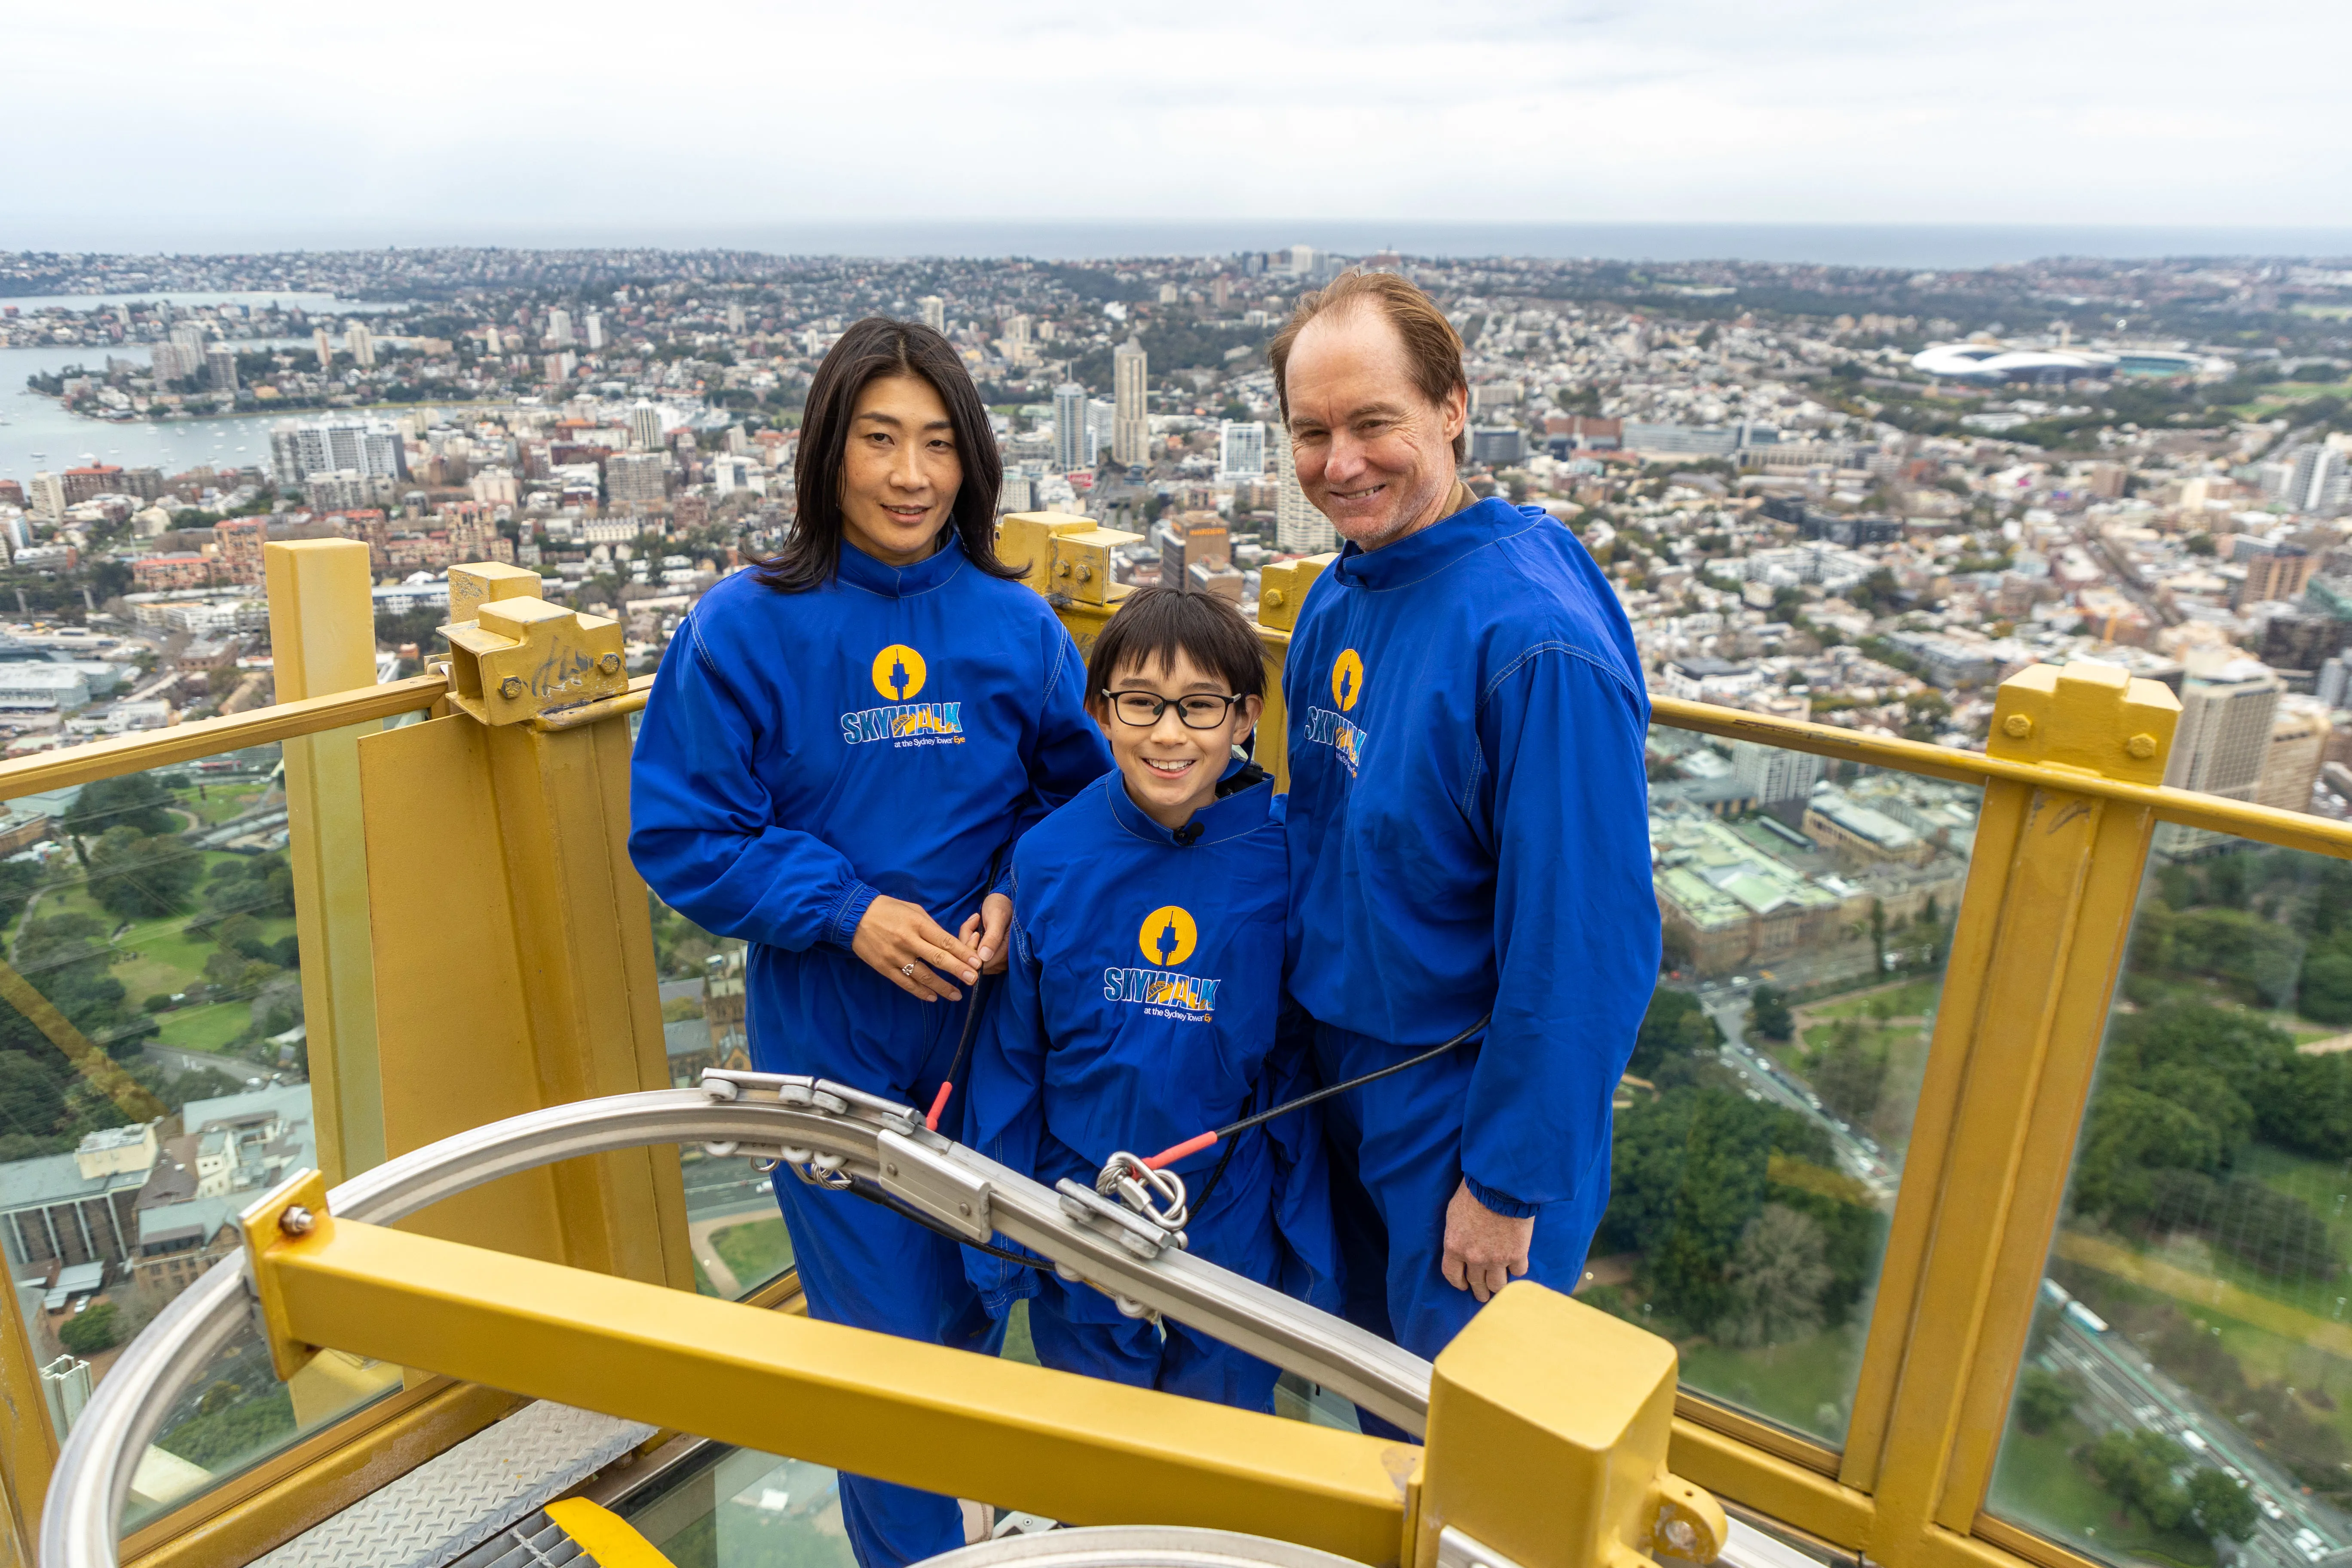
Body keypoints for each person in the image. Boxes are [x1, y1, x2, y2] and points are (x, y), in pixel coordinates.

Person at [628, 317, 1112, 1568]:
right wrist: (846, 911)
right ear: (827, 454)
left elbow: (1076, 801)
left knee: (982, 1309)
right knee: (882, 1359)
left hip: (993, 1039)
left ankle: (980, 1526)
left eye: (940, 445)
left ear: (974, 463)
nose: (912, 476)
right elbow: (682, 834)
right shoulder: (742, 627)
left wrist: (1014, 890)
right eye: (881, 439)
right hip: (832, 1049)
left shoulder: (1015, 626)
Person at [1270, 271, 1657, 1389]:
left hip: (1465, 1116)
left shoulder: (1532, 642)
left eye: (1372, 423)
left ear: (1453, 408)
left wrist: (1506, 1184)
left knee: (1462, 1444)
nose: (1340, 464)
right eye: (1312, 432)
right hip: (1345, 1081)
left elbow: (1586, 943)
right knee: (1374, 1410)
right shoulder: (1349, 592)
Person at [964, 586, 1337, 1410]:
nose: (1169, 734)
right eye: (1141, 704)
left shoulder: (1287, 856)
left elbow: (1299, 1056)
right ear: (1100, 711)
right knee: (1100, 1420)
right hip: (1079, 1195)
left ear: (1245, 718)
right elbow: (1013, 1058)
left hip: (1227, 1192)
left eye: (1201, 707)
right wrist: (1007, 1225)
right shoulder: (1050, 856)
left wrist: (1300, 1220)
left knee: (1226, 1422)